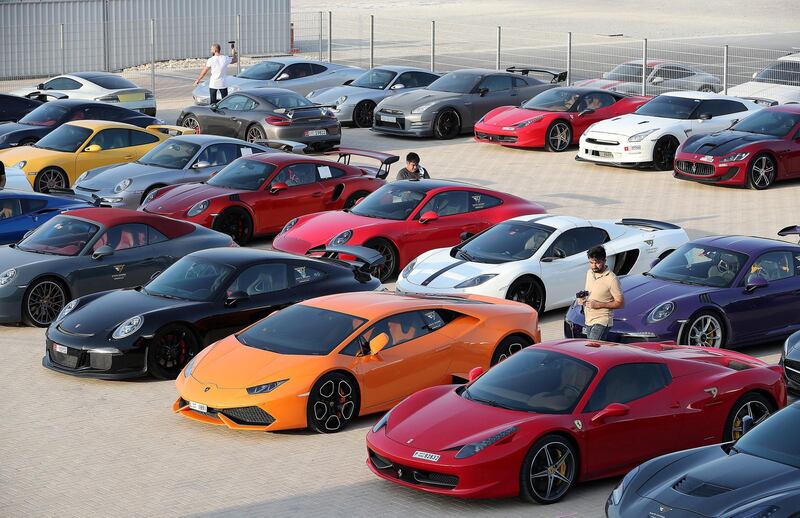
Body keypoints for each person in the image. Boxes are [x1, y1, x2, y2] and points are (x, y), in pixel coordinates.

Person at [577, 245, 624, 341]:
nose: (594, 266)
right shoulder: (589, 273)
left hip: (602, 320)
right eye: (591, 262)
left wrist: (599, 304)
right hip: (588, 319)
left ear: (604, 260)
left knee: (592, 347)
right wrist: (582, 299)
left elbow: (620, 303)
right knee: (595, 350)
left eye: (597, 263)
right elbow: (590, 292)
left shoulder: (612, 279)